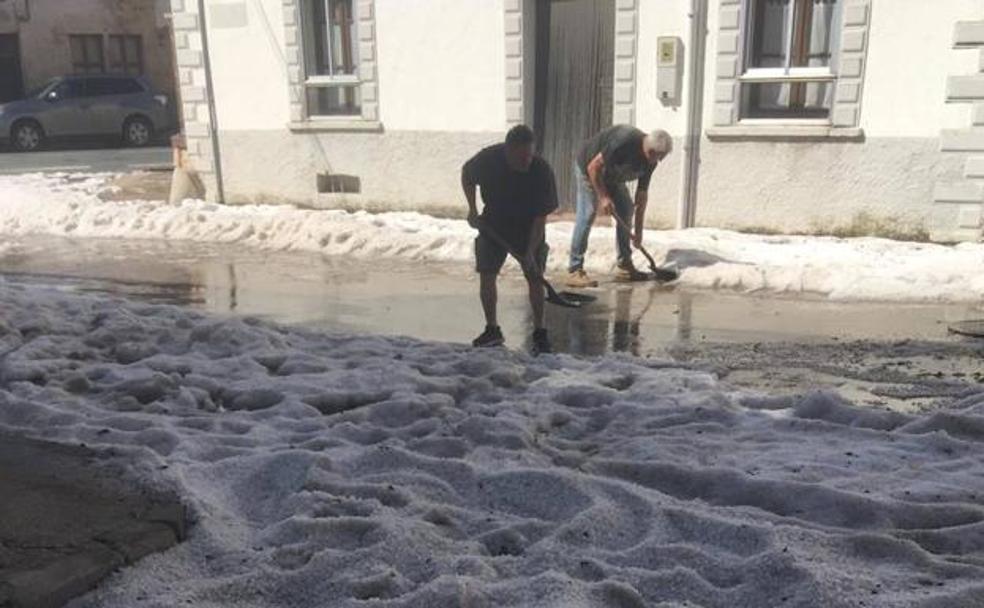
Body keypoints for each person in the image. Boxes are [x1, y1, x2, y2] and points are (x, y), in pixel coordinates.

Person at [462, 124, 558, 354]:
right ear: (508, 151)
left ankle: (540, 332)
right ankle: (492, 329)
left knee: (534, 276)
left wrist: (529, 252)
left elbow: (540, 218)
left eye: (529, 155)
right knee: (487, 274)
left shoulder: (541, 170)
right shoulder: (488, 160)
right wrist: (472, 209)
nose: (526, 161)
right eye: (520, 157)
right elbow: (467, 175)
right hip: (493, 223)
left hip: (528, 226)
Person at [567, 126, 673, 288]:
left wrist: (638, 233)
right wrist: (603, 197)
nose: (659, 162)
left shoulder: (650, 162)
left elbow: (641, 197)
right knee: (588, 213)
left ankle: (624, 265)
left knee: (626, 209)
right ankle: (575, 269)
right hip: (589, 169)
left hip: (613, 177)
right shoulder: (624, 141)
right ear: (651, 152)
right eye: (659, 157)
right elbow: (593, 168)